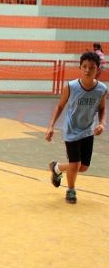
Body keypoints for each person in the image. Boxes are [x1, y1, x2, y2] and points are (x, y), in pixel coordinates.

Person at [45, 52, 106, 204]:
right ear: (80, 67)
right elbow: (59, 106)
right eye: (84, 67)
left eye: (91, 67)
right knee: (75, 164)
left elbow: (103, 108)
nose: (87, 70)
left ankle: (57, 168)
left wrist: (102, 123)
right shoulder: (71, 87)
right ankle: (71, 190)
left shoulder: (102, 89)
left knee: (83, 167)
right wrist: (51, 126)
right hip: (71, 131)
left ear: (97, 69)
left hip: (88, 131)